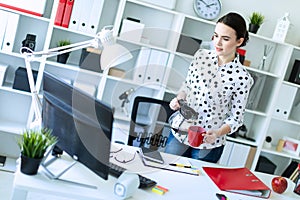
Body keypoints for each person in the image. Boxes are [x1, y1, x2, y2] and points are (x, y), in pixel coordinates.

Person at [165, 12, 254, 163]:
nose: (217, 43)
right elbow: (187, 86)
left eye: (225, 39)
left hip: (209, 142)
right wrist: (179, 99)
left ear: (239, 41)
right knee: (166, 175)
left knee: (197, 184)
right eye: (216, 35)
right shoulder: (201, 56)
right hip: (181, 131)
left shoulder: (243, 78)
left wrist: (218, 133)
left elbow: (236, 119)